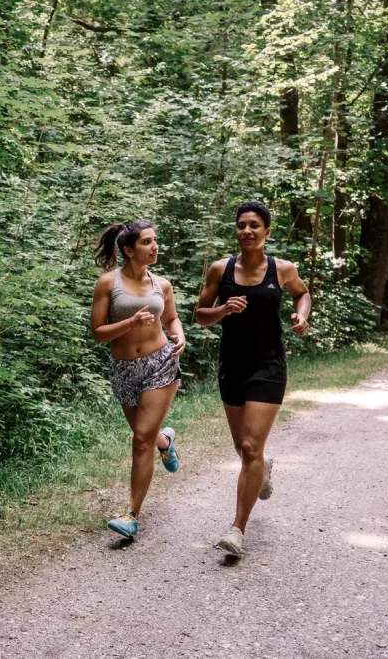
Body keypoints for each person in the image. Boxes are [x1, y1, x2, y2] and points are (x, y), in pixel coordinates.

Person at [195, 201, 311, 557]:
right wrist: (223, 309)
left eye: (254, 225)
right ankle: (263, 471)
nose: (247, 230)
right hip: (232, 366)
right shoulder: (220, 270)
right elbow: (200, 315)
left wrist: (301, 316)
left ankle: (237, 530)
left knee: (249, 447)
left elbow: (302, 293)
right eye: (242, 225)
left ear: (267, 232)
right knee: (243, 447)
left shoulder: (283, 269)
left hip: (269, 366)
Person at [91, 220, 186, 539]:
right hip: (123, 369)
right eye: (147, 242)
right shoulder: (108, 283)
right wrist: (130, 322)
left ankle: (131, 514)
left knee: (140, 439)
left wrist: (179, 335)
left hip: (161, 364)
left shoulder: (163, 284)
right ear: (129, 250)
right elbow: (98, 333)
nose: (155, 246)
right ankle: (166, 441)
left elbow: (171, 318)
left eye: (155, 240)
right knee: (146, 436)